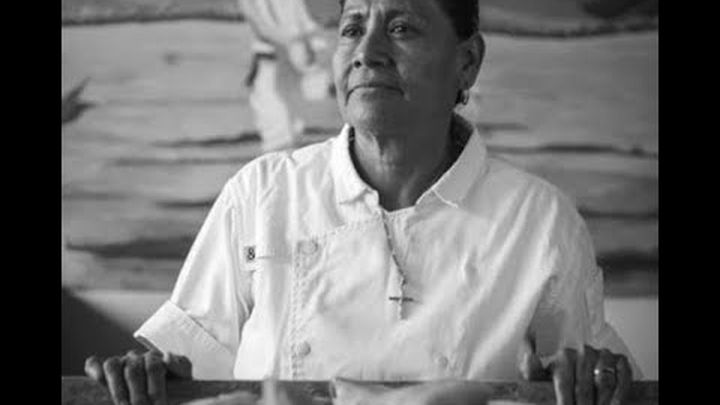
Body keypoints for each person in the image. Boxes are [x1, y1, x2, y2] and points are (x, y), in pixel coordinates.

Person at [85, 0, 642, 404]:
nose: (367, 53)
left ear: (467, 61)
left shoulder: (538, 220)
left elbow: (589, 376)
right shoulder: (261, 194)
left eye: (401, 28)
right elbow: (188, 363)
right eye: (352, 28)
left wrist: (593, 377)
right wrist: (149, 373)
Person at [240, 0, 334, 151]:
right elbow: (262, 27)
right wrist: (295, 43)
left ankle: (285, 153)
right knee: (277, 126)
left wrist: (311, 47)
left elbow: (304, 22)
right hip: (272, 61)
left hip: (290, 62)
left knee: (290, 124)